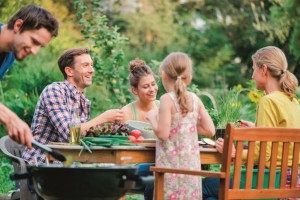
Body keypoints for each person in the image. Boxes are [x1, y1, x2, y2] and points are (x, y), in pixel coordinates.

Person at [202, 46, 300, 200]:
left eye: (254, 69)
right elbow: (282, 137)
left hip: (271, 184)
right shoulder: (293, 101)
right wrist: (257, 128)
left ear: (264, 69)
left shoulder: (268, 101)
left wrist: (234, 152)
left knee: (206, 185)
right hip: (293, 184)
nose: (252, 75)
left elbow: (264, 155)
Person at [22, 48, 124, 164]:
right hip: (40, 164)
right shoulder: (54, 91)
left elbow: (78, 141)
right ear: (69, 71)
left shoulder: (83, 101)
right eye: (85, 65)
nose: (92, 70)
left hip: (64, 166)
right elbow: (70, 134)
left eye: (91, 65)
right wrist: (104, 118)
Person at [146, 52, 215, 199]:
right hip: (191, 170)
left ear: (163, 75)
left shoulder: (166, 99)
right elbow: (210, 130)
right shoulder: (195, 99)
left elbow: (163, 134)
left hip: (170, 171)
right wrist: (186, 125)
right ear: (188, 78)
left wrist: (152, 118)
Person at [0, 4, 59, 149]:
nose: (35, 51)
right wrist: (9, 117)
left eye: (40, 46)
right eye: (34, 41)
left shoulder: (11, 54)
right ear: (18, 25)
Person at [121, 58, 159, 123]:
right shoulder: (126, 113)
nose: (152, 89)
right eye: (145, 87)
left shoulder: (164, 107)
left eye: (153, 84)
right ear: (135, 90)